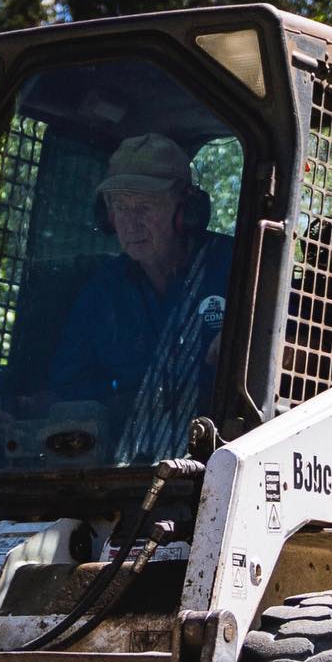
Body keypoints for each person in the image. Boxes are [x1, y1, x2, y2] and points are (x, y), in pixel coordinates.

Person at [49, 134, 232, 459]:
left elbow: (297, 351)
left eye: (144, 207)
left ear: (186, 210)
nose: (130, 224)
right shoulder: (102, 293)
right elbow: (69, 388)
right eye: (120, 207)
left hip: (223, 460)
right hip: (128, 472)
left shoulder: (236, 267)